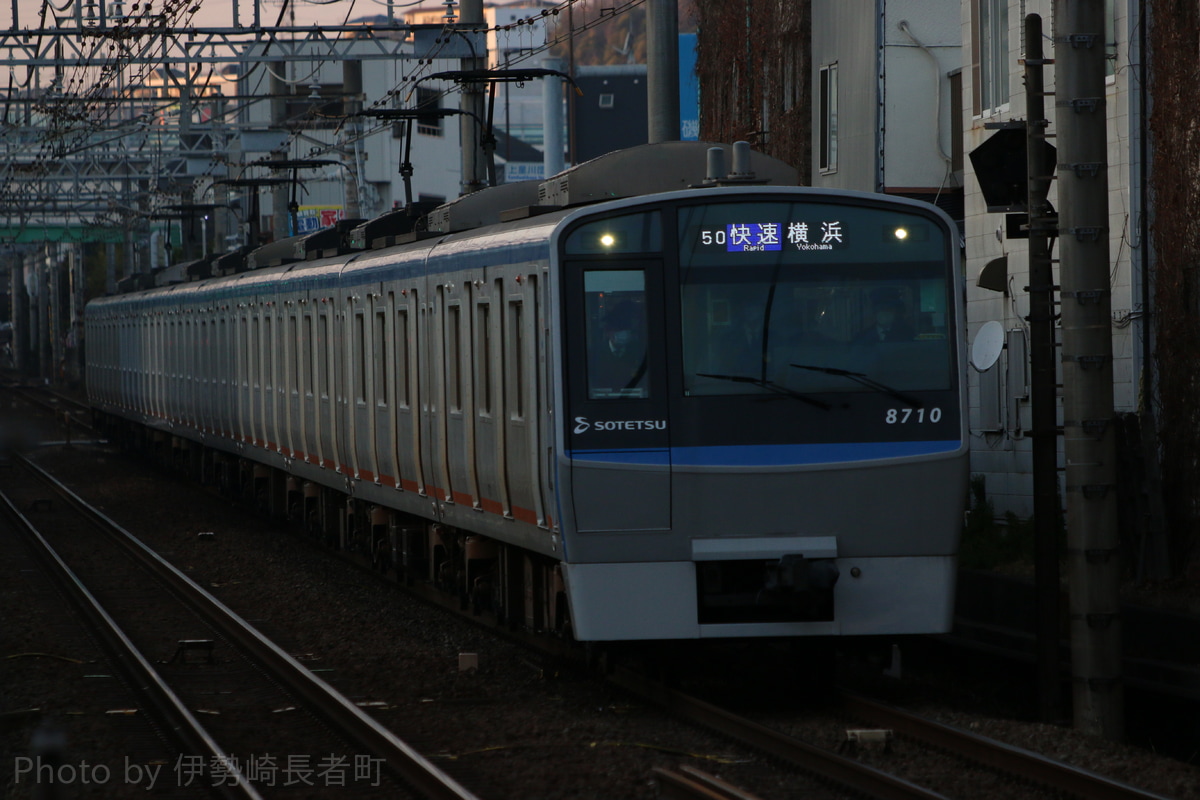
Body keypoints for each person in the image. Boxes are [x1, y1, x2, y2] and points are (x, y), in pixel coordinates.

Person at [589, 301, 647, 398]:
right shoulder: (594, 354)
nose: (623, 334)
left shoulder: (639, 352)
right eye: (618, 330)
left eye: (626, 329)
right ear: (608, 332)